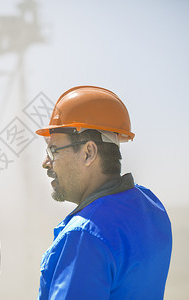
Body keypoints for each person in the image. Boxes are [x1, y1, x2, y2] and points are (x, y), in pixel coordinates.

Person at [35, 86, 172, 299]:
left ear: (89, 152)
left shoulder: (84, 236)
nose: (46, 163)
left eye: (53, 151)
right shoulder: (151, 206)